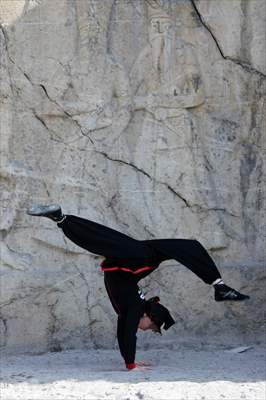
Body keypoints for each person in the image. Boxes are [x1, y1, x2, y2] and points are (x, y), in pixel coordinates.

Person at [27, 204, 249, 370]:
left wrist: (129, 361)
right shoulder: (135, 307)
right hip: (136, 259)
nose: (147, 330)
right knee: (186, 246)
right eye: (152, 327)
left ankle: (61, 218)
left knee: (99, 239)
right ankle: (218, 286)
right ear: (148, 316)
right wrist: (131, 365)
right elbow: (128, 334)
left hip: (128, 262)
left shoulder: (132, 309)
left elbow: (123, 332)